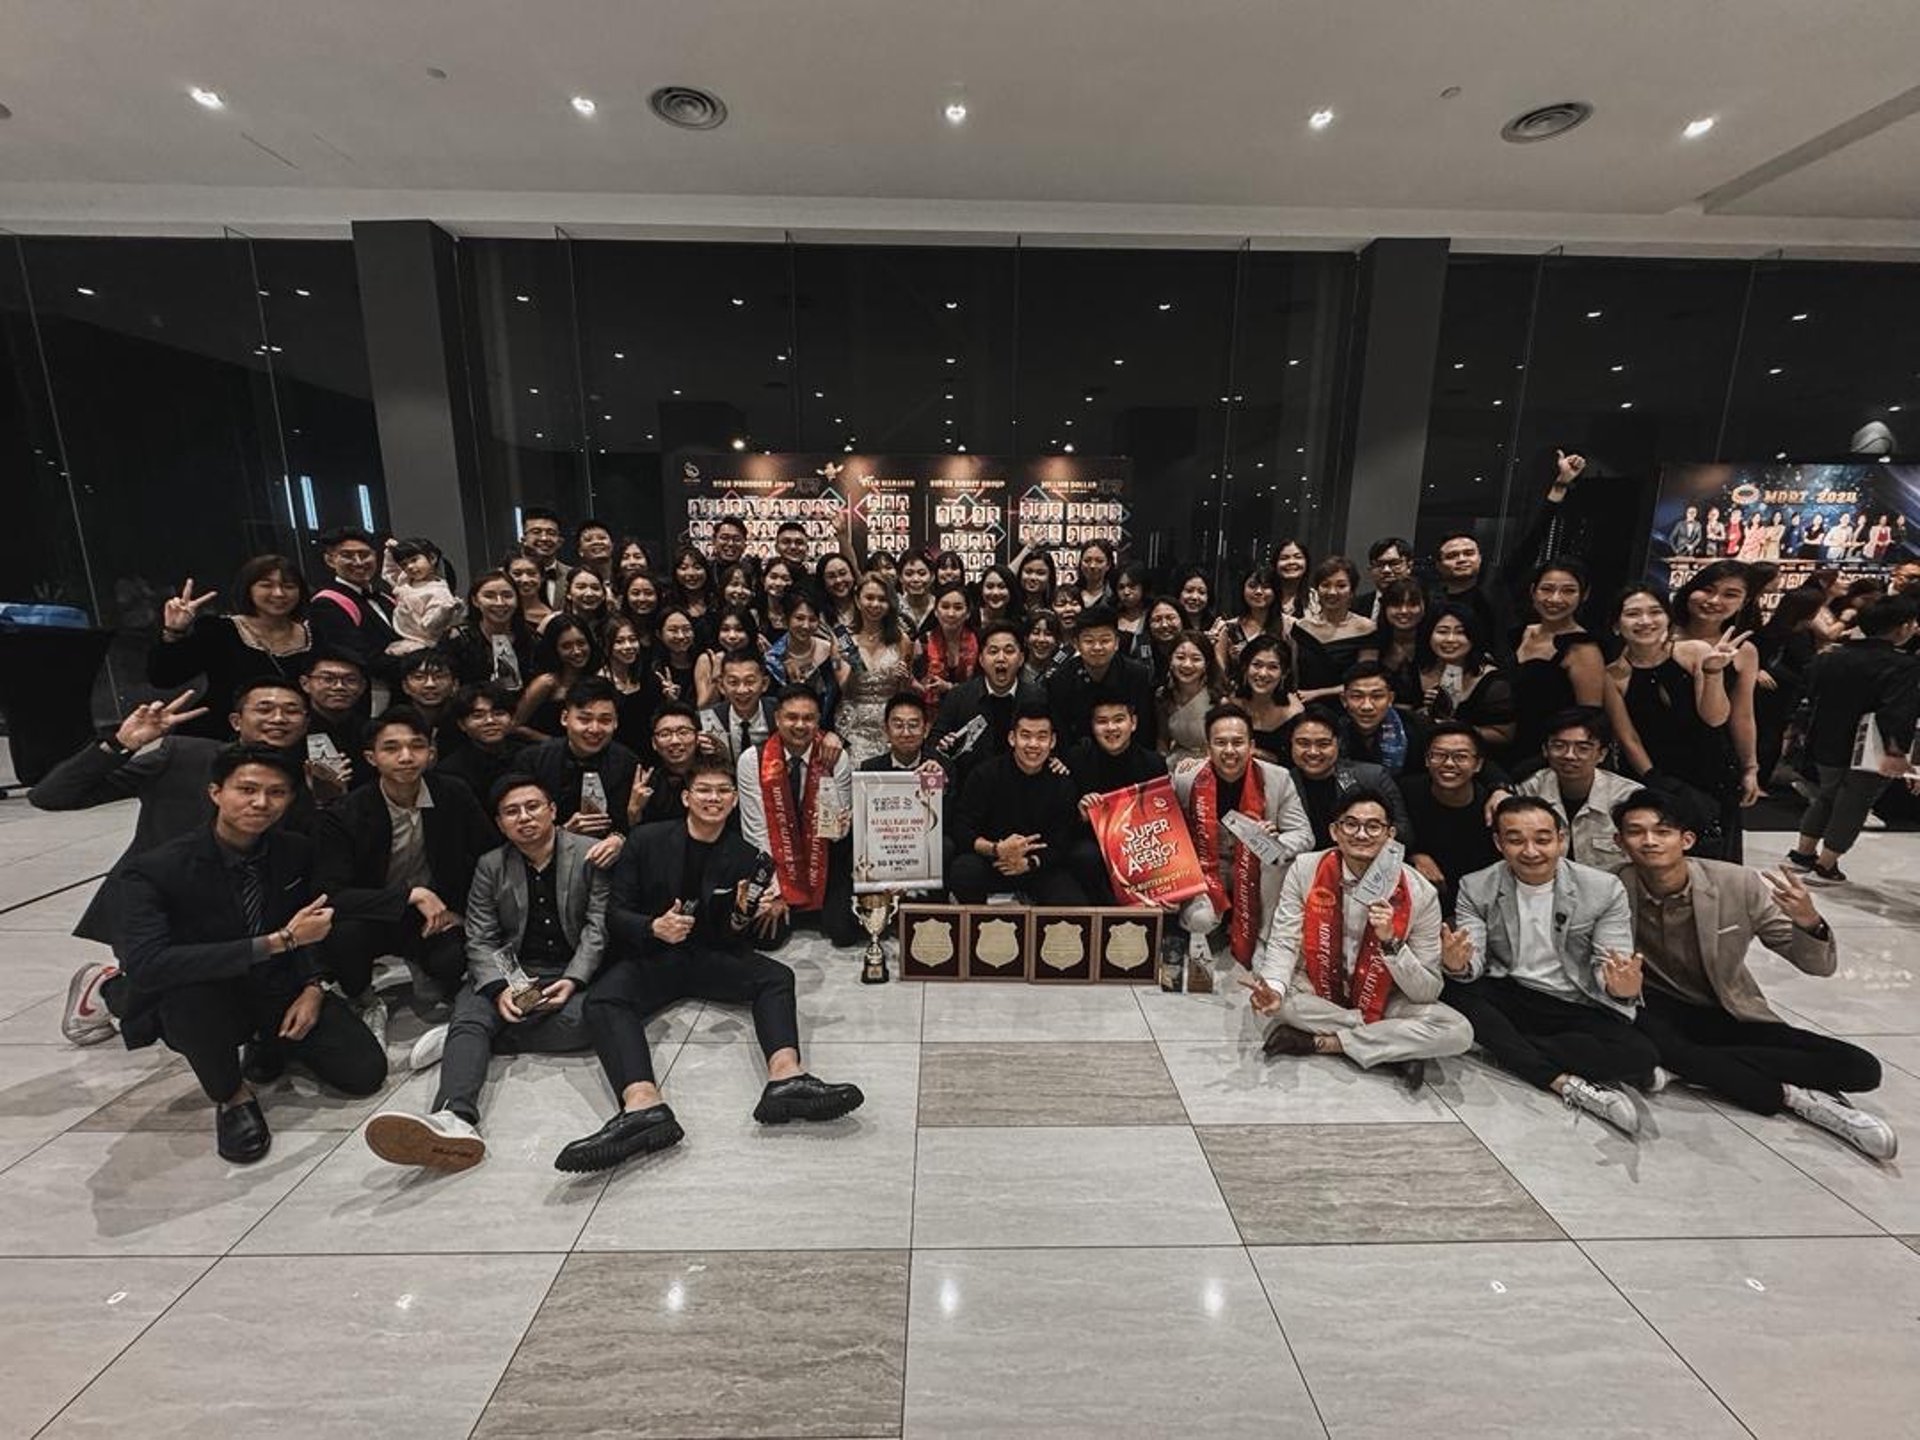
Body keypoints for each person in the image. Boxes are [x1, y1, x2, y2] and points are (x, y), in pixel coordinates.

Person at [562, 755, 866, 1170]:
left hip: (707, 955)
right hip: (654, 953)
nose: (713, 798)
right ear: (686, 797)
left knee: (776, 976)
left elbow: (730, 934)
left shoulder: (745, 854)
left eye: (723, 791)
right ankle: (642, 1106)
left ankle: (786, 1078)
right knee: (604, 1000)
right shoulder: (647, 840)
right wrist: (654, 927)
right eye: (704, 790)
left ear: (736, 800)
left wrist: (741, 916)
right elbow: (615, 912)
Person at [113, 745, 387, 1162]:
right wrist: (279, 942)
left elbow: (310, 920)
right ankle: (232, 1097)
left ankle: (267, 1041)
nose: (261, 802)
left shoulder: (293, 850)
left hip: (280, 986)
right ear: (215, 792)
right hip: (207, 993)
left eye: (276, 793)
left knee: (365, 1073)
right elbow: (148, 966)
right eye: (247, 789)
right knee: (186, 998)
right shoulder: (158, 869)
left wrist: (313, 986)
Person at [1611, 790, 1895, 1159]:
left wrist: (1808, 922)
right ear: (1619, 841)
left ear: (1686, 840)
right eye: (1636, 832)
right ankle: (1795, 1097)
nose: (1649, 841)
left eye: (1662, 831)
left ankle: (1689, 1067)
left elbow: (1817, 965)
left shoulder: (1737, 884)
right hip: (1654, 1009)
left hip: (1727, 1008)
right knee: (1659, 1044)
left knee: (1862, 1069)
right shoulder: (1610, 888)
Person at [35, 680, 317, 1042]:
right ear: (236, 720)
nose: (278, 718)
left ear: (306, 723)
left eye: (291, 711)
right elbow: (52, 795)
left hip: (232, 914)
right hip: (157, 909)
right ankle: (108, 989)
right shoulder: (183, 756)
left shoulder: (295, 786)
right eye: (264, 709)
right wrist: (119, 744)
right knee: (162, 1009)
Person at [364, 776, 614, 1171]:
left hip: (566, 968)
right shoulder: (491, 864)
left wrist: (573, 979)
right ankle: (453, 1117)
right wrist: (501, 988)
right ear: (500, 823)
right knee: (479, 1007)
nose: (525, 818)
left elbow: (597, 927)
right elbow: (481, 935)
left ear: (552, 811)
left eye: (533, 807)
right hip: (513, 967)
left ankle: (465, 1039)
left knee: (584, 1023)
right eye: (512, 812)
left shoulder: (587, 854)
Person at [1443, 796, 1660, 1135]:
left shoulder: (1602, 889)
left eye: (1543, 839)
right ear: (1499, 843)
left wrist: (1621, 987)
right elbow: (1473, 958)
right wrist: (1458, 964)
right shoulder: (1476, 885)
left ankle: (1501, 1046)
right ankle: (1565, 1084)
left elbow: (1611, 961)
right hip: (1512, 992)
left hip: (1575, 1001)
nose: (1530, 851)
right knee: (1455, 991)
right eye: (1515, 840)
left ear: (1562, 840)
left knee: (1641, 1055)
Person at [1250, 788, 1471, 1089]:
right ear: (1335, 831)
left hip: (1386, 996)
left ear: (1390, 835)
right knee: (1278, 1003)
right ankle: (1394, 1044)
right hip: (1316, 986)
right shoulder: (1305, 869)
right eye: (1351, 824)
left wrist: (1391, 943)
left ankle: (1323, 1043)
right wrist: (1274, 988)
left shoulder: (1421, 892)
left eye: (1373, 826)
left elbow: (1425, 992)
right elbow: (1284, 941)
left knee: (1458, 1031)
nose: (1362, 834)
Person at [313, 708, 496, 1044]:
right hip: (374, 913)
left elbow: (489, 853)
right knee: (343, 935)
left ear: (431, 752)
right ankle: (364, 999)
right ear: (371, 757)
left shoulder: (453, 793)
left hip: (435, 914)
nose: (406, 757)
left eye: (417, 746)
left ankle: (423, 964)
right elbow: (332, 893)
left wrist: (465, 912)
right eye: (392, 748)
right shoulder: (347, 812)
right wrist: (412, 896)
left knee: (451, 960)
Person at [1789, 596, 1920, 884]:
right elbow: (1897, 709)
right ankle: (1826, 865)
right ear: (1902, 627)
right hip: (1868, 746)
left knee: (1826, 796)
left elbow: (1810, 695)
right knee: (1854, 804)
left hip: (1825, 739)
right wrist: (1896, 750)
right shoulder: (1903, 665)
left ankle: (1802, 854)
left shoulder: (1831, 655)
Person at [1173, 703, 1313, 967]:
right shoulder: (1185, 778)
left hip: (1256, 868)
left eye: (1237, 742)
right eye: (1220, 743)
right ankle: (1204, 926)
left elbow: (1304, 834)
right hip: (1206, 867)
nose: (1229, 751)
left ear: (1251, 745)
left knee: (1279, 861)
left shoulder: (1277, 778)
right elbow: (1167, 827)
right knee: (1200, 920)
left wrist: (1275, 843)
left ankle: (1264, 939)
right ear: (1207, 748)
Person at [1609, 583, 1743, 859]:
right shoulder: (1613, 675)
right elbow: (1628, 737)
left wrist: (1713, 673)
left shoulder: (1694, 651)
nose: (1645, 621)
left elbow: (1715, 718)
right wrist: (1655, 781)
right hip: (1655, 775)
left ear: (1668, 618)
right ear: (1616, 625)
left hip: (1709, 769)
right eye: (1633, 614)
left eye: (1655, 612)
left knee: (1711, 858)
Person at [736, 684, 860, 946]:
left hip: (825, 856)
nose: (800, 725)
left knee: (844, 932)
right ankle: (794, 901)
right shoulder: (752, 760)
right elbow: (756, 831)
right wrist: (775, 891)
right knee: (766, 936)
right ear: (777, 718)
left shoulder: (835, 756)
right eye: (792, 717)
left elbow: (841, 826)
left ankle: (816, 904)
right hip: (774, 861)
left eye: (809, 718)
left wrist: (840, 827)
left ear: (818, 721)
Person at [1508, 559, 1650, 776]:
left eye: (1568, 591)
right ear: (1533, 591)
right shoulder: (1519, 634)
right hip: (1505, 743)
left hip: (1546, 758)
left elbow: (1588, 719)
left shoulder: (1583, 648)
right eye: (1547, 589)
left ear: (1584, 595)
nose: (1555, 599)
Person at [147, 556, 311, 737]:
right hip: (221, 736)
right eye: (266, 585)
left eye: (289, 586)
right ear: (248, 589)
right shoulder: (220, 631)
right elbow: (163, 677)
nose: (279, 593)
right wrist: (173, 631)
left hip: (292, 735)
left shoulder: (315, 635)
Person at [948, 701, 1091, 905]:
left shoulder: (1063, 783)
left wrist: (1030, 862)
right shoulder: (985, 774)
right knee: (964, 871)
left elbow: (1063, 842)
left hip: (1037, 867)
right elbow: (961, 829)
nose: (1033, 744)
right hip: (993, 861)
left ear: (1052, 741)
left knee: (1072, 903)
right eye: (1025, 735)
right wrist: (997, 849)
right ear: (1012, 738)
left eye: (1042, 737)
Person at [512, 677, 649, 852]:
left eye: (605, 720)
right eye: (584, 719)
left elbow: (634, 822)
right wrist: (560, 834)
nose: (594, 729)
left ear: (616, 723)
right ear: (564, 718)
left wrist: (620, 838)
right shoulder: (531, 761)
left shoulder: (628, 762)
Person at [1515, 708, 1640, 872]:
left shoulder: (1628, 797)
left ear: (1602, 754)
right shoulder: (1529, 790)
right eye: (1559, 746)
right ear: (1545, 750)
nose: (1569, 755)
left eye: (1583, 748)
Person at [1403, 722, 1502, 919]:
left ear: (1478, 765)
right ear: (1426, 760)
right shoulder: (1406, 791)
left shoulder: (1491, 808)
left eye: (1461, 757)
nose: (1448, 763)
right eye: (1439, 755)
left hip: (1479, 907)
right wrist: (1413, 855)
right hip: (1419, 903)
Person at [931, 621, 1045, 787]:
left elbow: (1054, 740)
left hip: (1025, 788)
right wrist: (941, 750)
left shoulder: (1037, 697)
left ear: (1021, 659)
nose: (1001, 658)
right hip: (970, 789)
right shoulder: (959, 696)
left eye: (1009, 651)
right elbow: (934, 742)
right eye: (993, 651)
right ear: (982, 659)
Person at [1285, 706, 1413, 847]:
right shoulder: (1282, 783)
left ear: (1338, 743)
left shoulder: (1372, 777)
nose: (1313, 752)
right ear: (1291, 743)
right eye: (1303, 744)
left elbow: (1404, 833)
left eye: (1323, 744)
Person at [1045, 603, 1158, 750]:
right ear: (1076, 644)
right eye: (1089, 641)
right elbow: (1061, 734)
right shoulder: (1060, 680)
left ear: (1116, 643)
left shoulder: (1137, 675)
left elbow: (1144, 730)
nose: (1097, 647)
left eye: (1105, 640)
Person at [832, 573, 916, 766]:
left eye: (882, 599)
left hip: (890, 725)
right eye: (869, 598)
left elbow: (904, 693)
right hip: (852, 726)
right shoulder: (842, 639)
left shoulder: (901, 640)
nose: (875, 605)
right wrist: (854, 666)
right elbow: (845, 689)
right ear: (857, 599)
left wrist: (904, 678)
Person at [1413, 602, 1514, 753]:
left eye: (1460, 632)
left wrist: (1455, 727)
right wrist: (1422, 715)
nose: (1450, 639)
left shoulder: (1493, 682)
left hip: (1473, 757)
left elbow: (1504, 735)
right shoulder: (1414, 669)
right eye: (1442, 631)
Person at [308, 527, 401, 680]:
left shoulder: (386, 598)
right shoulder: (326, 603)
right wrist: (415, 662)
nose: (358, 562)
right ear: (330, 560)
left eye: (364, 555)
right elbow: (360, 658)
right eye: (347, 556)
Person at [1290, 556, 1377, 699]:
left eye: (1341, 586)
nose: (1332, 592)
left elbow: (1365, 681)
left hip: (1350, 706)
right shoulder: (1301, 627)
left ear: (1352, 591)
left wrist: (1317, 694)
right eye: (1325, 585)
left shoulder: (1366, 628)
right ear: (1317, 589)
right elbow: (1294, 677)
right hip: (1305, 705)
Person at [435, 683, 530, 805]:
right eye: (478, 716)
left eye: (499, 713)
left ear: (511, 719)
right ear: (462, 724)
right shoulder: (450, 771)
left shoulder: (530, 757)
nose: (490, 721)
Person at [444, 570, 533, 698]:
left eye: (507, 595)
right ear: (475, 601)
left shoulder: (530, 637)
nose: (500, 602)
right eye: (489, 596)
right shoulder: (457, 638)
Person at [1337, 659, 1429, 779]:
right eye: (1357, 696)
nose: (1367, 706)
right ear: (1344, 700)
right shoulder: (1334, 731)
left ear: (1390, 699)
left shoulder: (1418, 727)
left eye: (1377, 696)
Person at [298, 650, 375, 792]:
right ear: (305, 684)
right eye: (328, 679)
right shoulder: (293, 729)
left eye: (350, 680)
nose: (339, 686)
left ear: (363, 686)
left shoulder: (372, 732)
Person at [514, 615, 600, 739]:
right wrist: (556, 743)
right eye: (566, 646)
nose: (577, 651)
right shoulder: (546, 683)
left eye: (581, 643)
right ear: (554, 649)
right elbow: (515, 726)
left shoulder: (595, 678)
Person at [381, 537, 462, 653]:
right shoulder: (406, 580)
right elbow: (390, 573)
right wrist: (390, 553)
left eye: (414, 560)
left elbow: (431, 626)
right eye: (404, 564)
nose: (409, 567)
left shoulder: (439, 592)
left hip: (424, 644)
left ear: (432, 558)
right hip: (403, 637)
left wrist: (444, 611)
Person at [1157, 630, 1222, 768]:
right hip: (1176, 765)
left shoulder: (1219, 700)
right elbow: (1162, 740)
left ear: (1207, 664)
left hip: (1212, 766)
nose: (1187, 665)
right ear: (1170, 660)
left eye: (1196, 659)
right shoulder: (1163, 696)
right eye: (1180, 657)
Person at [699, 649, 774, 767]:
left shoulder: (779, 712)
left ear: (764, 684)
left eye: (750, 682)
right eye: (733, 682)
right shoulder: (711, 718)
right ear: (721, 686)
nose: (742, 690)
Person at [1236, 633, 1302, 760]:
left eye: (1273, 667)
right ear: (1246, 666)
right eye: (1257, 665)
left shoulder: (1294, 713)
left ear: (1284, 673)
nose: (1263, 674)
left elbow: (1296, 761)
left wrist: (1260, 754)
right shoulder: (1230, 705)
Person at [858, 691, 947, 777]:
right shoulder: (869, 769)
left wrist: (940, 782)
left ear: (925, 730)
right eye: (898, 725)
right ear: (886, 730)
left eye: (913, 725)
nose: (906, 733)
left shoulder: (942, 767)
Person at [518, 507, 571, 607]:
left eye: (551, 533)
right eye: (536, 532)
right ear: (523, 539)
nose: (544, 538)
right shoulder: (506, 576)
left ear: (560, 541)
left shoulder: (573, 576)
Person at [1352, 535, 1413, 622]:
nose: (1386, 570)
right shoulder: (1355, 606)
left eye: (1394, 563)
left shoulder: (1422, 606)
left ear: (1409, 567)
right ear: (1370, 569)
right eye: (1379, 564)